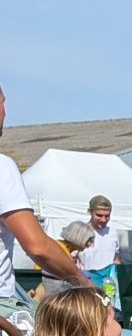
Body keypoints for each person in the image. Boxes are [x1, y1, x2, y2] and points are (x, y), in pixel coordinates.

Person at [0, 86, 92, 298]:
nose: (6, 111)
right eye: (3, 103)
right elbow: (37, 246)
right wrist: (83, 282)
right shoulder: (2, 167)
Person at [78, 194, 122, 310]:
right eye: (99, 215)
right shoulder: (80, 232)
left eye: (107, 216)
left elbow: (116, 259)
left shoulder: (112, 233)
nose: (103, 220)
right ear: (90, 212)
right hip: (87, 286)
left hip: (109, 287)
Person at [37, 220, 95, 296]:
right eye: (88, 240)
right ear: (79, 237)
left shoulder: (62, 249)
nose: (90, 244)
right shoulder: (59, 250)